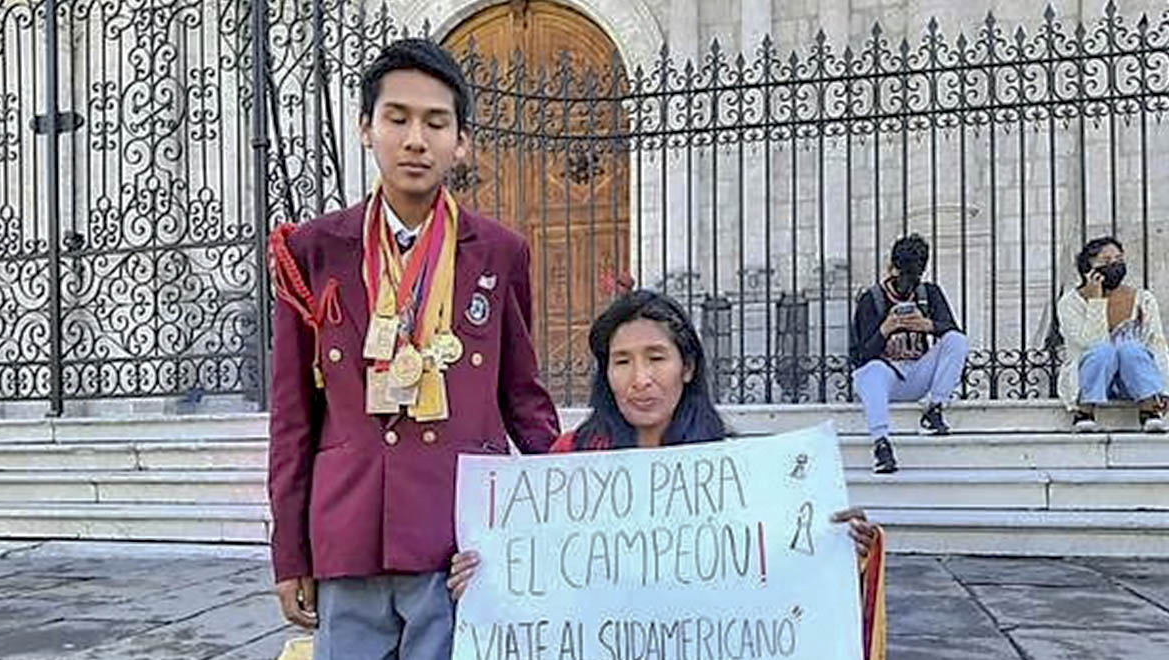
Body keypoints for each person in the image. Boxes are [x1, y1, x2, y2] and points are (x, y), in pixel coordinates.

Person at [266, 39, 559, 660]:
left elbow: (524, 401)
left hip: (458, 544)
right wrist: (290, 552)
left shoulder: (499, 252)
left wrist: (570, 507)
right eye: (397, 118)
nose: (415, 139)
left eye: (435, 121)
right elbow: (294, 419)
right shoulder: (313, 252)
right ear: (365, 129)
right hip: (349, 539)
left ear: (462, 141)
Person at [447, 290, 888, 660]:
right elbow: (530, 576)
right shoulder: (568, 460)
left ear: (688, 367)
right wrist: (482, 579)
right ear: (607, 375)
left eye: (656, 357)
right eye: (622, 362)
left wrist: (841, 552)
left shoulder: (740, 471)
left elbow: (773, 582)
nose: (640, 379)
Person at [850, 234, 968, 474]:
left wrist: (928, 326)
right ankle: (881, 444)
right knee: (870, 371)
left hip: (917, 375)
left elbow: (952, 330)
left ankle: (934, 409)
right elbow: (859, 357)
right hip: (885, 378)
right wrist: (885, 329)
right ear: (891, 268)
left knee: (957, 341)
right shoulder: (871, 299)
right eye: (902, 277)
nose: (906, 285)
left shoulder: (929, 293)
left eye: (913, 278)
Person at [1057, 236, 1169, 432]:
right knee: (1102, 350)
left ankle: (1149, 409)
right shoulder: (1070, 303)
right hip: (1091, 378)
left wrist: (1164, 387)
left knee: (1131, 348)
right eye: (1107, 261)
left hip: (1132, 380)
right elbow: (1088, 343)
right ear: (1088, 268)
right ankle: (1085, 410)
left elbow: (1157, 343)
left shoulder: (1143, 299)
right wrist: (1096, 301)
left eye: (1119, 260)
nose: (1115, 265)